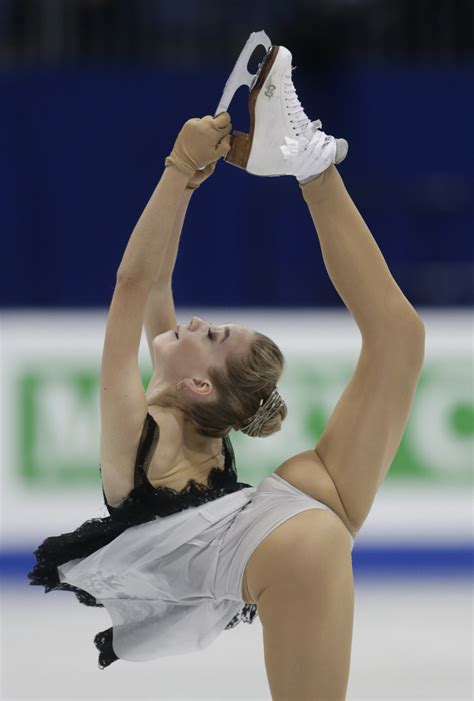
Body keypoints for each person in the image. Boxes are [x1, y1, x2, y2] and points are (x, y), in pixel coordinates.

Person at [28, 89, 425, 698]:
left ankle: (310, 165)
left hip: (261, 531)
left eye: (212, 334)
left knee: (400, 339)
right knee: (397, 349)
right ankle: (309, 165)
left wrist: (180, 172)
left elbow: (137, 280)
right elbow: (151, 276)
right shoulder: (153, 422)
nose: (196, 321)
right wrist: (181, 181)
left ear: (199, 382)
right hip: (258, 539)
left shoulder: (146, 422)